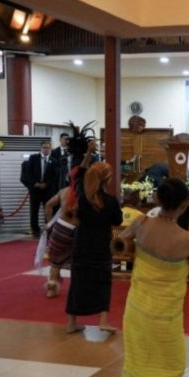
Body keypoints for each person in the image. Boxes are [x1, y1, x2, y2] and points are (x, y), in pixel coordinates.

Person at [103, 178, 189, 377]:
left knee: (143, 361)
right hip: (165, 313)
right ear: (184, 204)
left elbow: (119, 245)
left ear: (157, 198)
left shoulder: (141, 223)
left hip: (137, 307)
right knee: (172, 365)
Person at [65, 141, 123, 333]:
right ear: (107, 180)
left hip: (81, 245)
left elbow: (80, 173)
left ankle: (71, 322)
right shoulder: (110, 201)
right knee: (103, 282)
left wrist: (89, 153)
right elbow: (117, 220)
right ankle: (103, 321)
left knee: (77, 282)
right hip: (101, 246)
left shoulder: (83, 197)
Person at [43, 185, 78, 298]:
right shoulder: (88, 193)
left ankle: (51, 290)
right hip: (77, 230)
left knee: (55, 263)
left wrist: (49, 223)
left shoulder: (64, 191)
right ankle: (79, 289)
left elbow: (48, 205)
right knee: (79, 261)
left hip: (60, 228)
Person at [26, 141, 58, 237]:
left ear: (50, 149)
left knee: (48, 210)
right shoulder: (33, 158)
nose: (46, 149)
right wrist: (35, 183)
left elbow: (55, 176)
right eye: (44, 147)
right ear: (41, 148)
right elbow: (28, 173)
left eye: (48, 148)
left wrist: (46, 184)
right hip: (35, 189)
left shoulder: (54, 161)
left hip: (47, 190)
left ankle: (48, 229)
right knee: (34, 211)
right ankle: (35, 230)